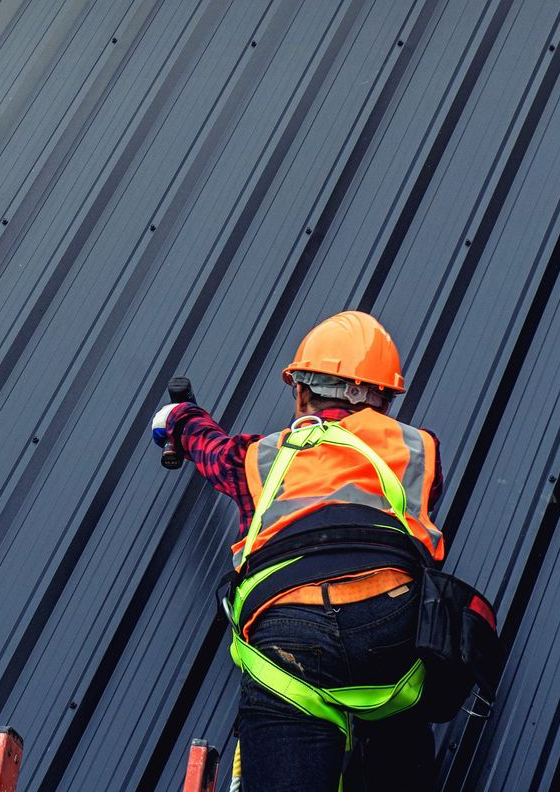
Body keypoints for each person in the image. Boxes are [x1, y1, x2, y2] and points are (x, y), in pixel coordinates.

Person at [153, 311, 447, 791]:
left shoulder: (264, 455)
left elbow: (214, 451)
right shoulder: (420, 448)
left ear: (303, 393)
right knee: (399, 717)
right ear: (385, 398)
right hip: (389, 620)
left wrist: (179, 420)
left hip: (289, 626)